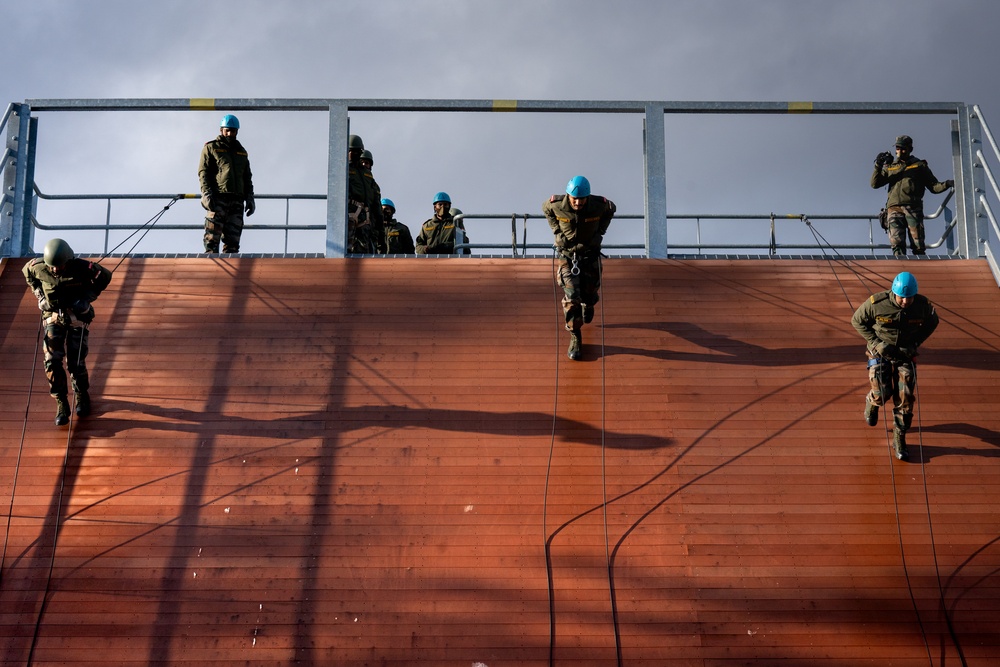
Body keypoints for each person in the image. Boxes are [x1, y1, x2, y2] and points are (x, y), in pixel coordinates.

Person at [23, 238, 113, 426]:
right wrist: (40, 295)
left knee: (76, 361)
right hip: (53, 316)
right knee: (51, 360)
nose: (56, 270)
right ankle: (61, 401)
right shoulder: (38, 266)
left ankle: (81, 394)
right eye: (52, 267)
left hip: (76, 316)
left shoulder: (82, 268)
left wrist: (88, 299)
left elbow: (105, 276)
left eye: (60, 266)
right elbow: (27, 273)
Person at [851, 271, 939, 461]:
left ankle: (899, 437)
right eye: (902, 298)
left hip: (905, 354)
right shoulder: (877, 304)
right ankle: (872, 402)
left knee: (905, 397)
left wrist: (915, 343)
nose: (906, 302)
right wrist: (875, 343)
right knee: (882, 393)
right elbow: (857, 321)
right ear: (894, 292)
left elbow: (933, 322)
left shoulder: (922, 306)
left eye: (909, 298)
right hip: (881, 351)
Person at [543, 176, 616, 361]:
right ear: (568, 195)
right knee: (571, 296)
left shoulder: (599, 205)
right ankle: (575, 334)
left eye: (581, 199)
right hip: (567, 257)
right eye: (574, 198)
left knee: (589, 294)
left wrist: (600, 233)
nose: (578, 202)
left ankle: (589, 304)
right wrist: (558, 233)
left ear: (587, 197)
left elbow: (611, 209)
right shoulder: (556, 204)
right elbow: (546, 210)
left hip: (590, 255)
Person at [871, 135, 954, 257]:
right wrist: (878, 165)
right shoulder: (891, 166)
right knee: (896, 242)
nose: (900, 151)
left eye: (903, 148)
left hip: (913, 208)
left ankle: (920, 268)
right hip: (894, 208)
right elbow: (875, 184)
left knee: (918, 243)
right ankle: (900, 267)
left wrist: (947, 184)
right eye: (898, 148)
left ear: (910, 149)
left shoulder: (919, 166)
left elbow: (934, 186)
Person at [198, 114, 255, 254]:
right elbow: (203, 172)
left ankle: (231, 272)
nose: (230, 133)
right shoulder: (211, 148)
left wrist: (250, 197)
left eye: (233, 131)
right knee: (212, 240)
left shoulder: (241, 152)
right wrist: (206, 193)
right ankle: (211, 268)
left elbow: (247, 177)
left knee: (233, 243)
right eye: (227, 130)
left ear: (237, 132)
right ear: (221, 130)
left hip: (237, 200)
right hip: (218, 199)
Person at [347, 135, 384, 254]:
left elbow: (376, 204)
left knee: (364, 253)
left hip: (365, 218)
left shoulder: (366, 175)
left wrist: (380, 230)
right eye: (352, 151)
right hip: (349, 214)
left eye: (358, 151)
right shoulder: (343, 170)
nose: (355, 154)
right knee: (345, 250)